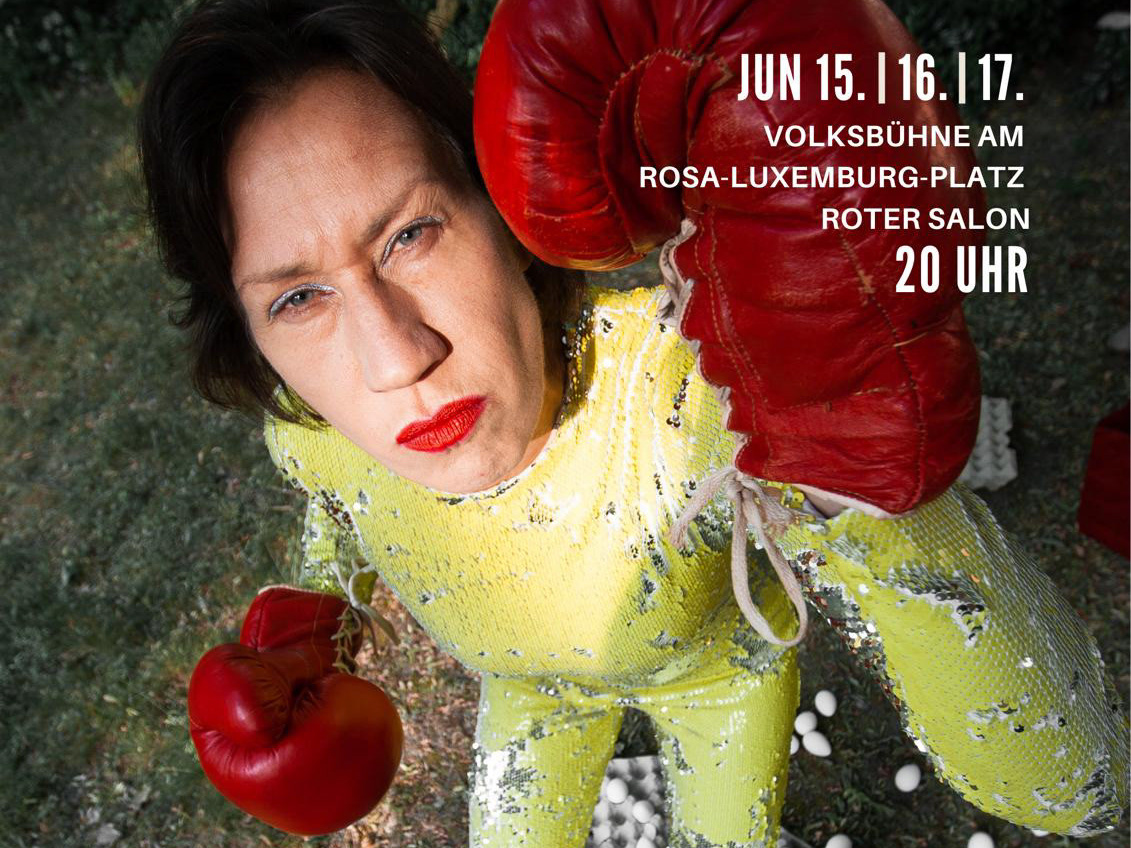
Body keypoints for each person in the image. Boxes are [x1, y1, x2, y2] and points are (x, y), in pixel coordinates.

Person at [138, 0, 1130, 844]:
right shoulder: (311, 431)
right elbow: (336, 505)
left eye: (412, 233)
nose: (398, 359)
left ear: (496, 202)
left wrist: (847, 430)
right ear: (251, 336)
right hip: (530, 691)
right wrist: (300, 630)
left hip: (715, 684)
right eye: (298, 298)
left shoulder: (690, 396)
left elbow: (1070, 783)